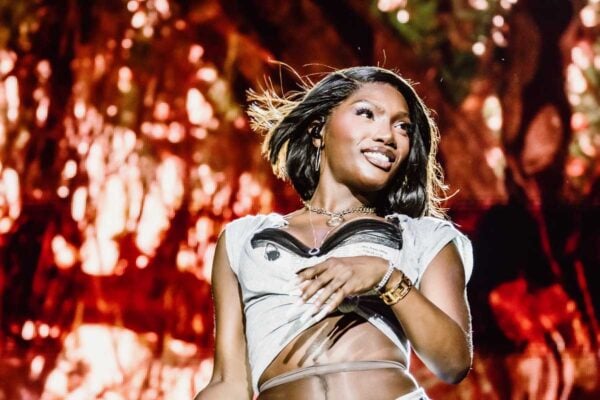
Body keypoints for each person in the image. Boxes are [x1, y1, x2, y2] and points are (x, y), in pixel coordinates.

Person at [194, 66, 473, 400]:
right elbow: (229, 381)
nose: (387, 135)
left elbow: (453, 363)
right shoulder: (241, 240)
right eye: (367, 113)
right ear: (318, 130)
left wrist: (386, 278)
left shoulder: (424, 237)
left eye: (402, 126)